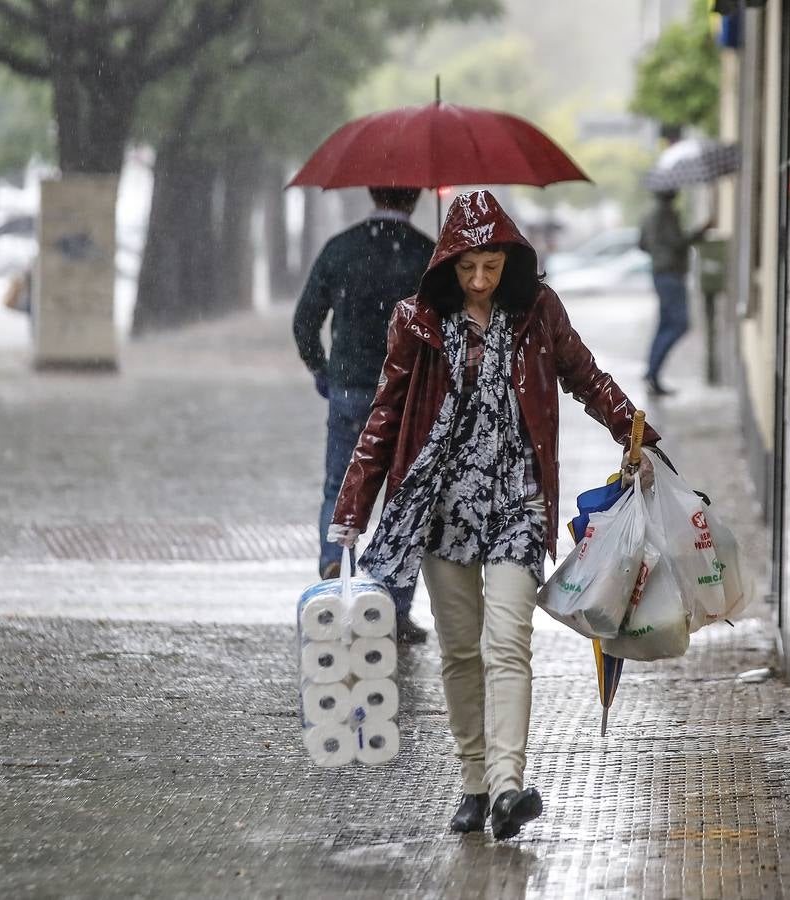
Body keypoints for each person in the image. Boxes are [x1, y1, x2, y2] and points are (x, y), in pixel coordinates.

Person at [327, 190, 662, 841]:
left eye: (491, 266)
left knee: (507, 643)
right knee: (459, 651)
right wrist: (352, 507)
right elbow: (385, 415)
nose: (480, 281)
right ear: (448, 265)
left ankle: (510, 787)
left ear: (509, 259)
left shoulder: (537, 311)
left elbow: (584, 374)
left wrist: (634, 429)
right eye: (467, 268)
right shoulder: (416, 320)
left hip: (517, 502)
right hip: (442, 507)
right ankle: (474, 783)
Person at [292, 186, 435, 644]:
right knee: (403, 497)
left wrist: (323, 369)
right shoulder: (427, 255)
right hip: (407, 395)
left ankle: (334, 584)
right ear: (414, 200)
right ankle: (391, 607)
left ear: (372, 193)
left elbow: (304, 320)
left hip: (350, 389)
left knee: (340, 485)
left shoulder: (341, 247)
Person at [639, 187, 709, 397]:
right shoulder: (666, 213)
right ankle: (652, 372)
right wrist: (699, 233)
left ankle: (652, 373)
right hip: (670, 273)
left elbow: (642, 244)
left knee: (666, 324)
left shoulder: (649, 213)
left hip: (660, 273)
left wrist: (657, 250)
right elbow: (676, 243)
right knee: (679, 323)